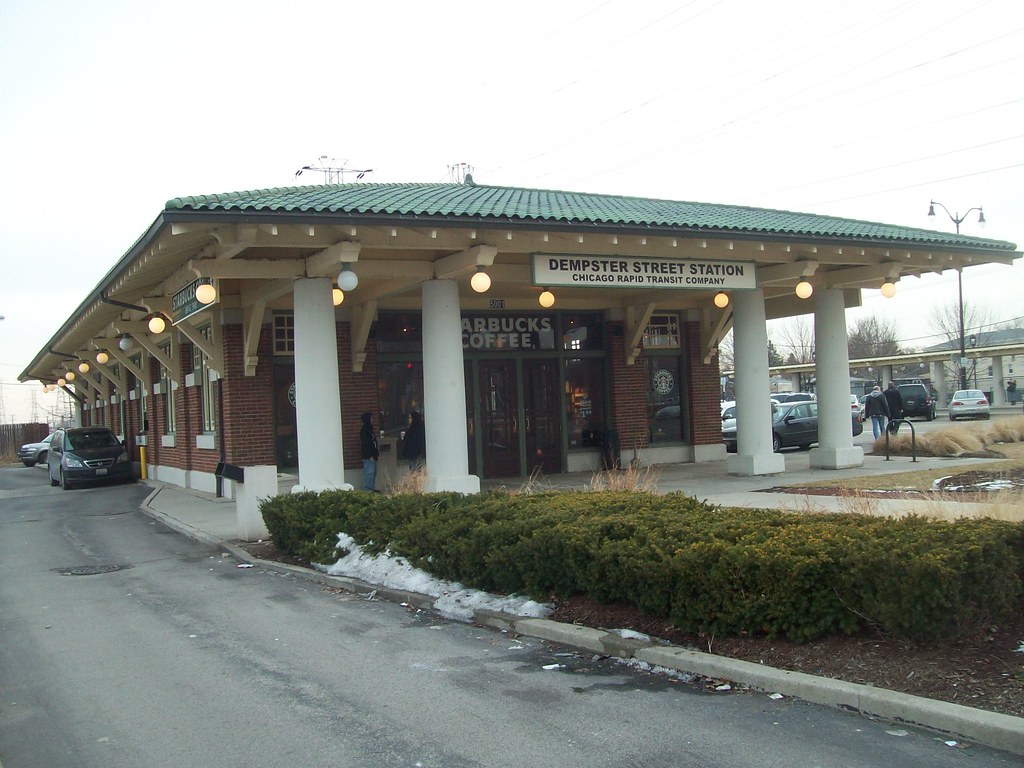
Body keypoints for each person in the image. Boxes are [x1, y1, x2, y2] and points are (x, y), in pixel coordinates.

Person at [359, 411, 379, 491]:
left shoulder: (370, 430)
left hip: (373, 456)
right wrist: (369, 455)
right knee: (369, 473)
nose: (372, 420)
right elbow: (365, 444)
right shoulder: (364, 431)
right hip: (369, 457)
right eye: (371, 418)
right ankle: (368, 490)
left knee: (373, 473)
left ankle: (372, 488)